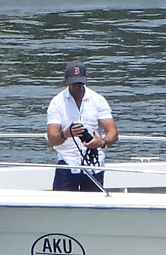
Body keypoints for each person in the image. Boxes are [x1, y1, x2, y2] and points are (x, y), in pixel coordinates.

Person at [45, 60, 117, 192]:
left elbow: (113, 132)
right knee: (62, 206)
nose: (77, 86)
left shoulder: (98, 100)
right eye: (74, 82)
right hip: (67, 162)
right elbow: (52, 139)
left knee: (94, 207)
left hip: (94, 164)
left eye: (80, 82)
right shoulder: (57, 102)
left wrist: (102, 142)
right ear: (66, 80)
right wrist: (65, 134)